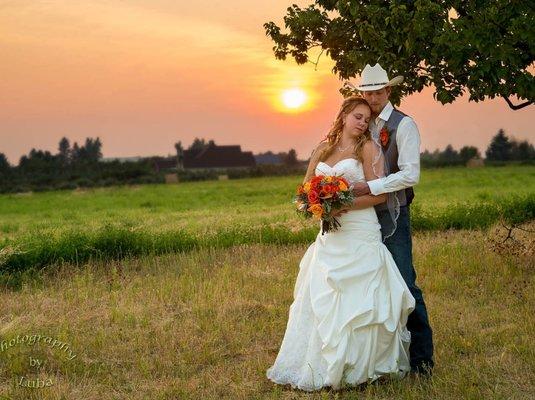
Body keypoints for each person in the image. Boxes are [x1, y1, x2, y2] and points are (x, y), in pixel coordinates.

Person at [266, 95, 416, 391]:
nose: (363, 123)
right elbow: (304, 192)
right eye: (357, 116)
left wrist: (342, 202)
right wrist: (318, 206)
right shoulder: (323, 149)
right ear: (344, 115)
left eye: (367, 119)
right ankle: (320, 364)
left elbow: (379, 195)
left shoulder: (369, 148)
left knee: (361, 299)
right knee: (327, 297)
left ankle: (362, 368)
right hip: (330, 235)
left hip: (360, 231)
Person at [349, 63, 435, 375]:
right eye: (367, 92)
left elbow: (411, 174)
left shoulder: (404, 125)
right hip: (362, 217)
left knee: (404, 283)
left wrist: (371, 186)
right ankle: (378, 357)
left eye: (377, 92)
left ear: (388, 91)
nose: (372, 98)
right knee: (371, 285)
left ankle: (422, 358)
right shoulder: (358, 124)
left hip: (393, 214)